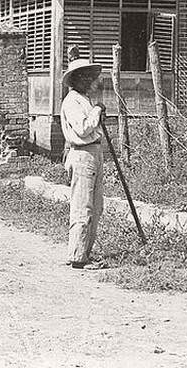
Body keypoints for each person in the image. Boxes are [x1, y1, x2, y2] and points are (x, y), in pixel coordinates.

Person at [60, 55, 107, 269]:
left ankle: (85, 253)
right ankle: (78, 257)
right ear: (82, 79)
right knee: (83, 206)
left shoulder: (83, 99)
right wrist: (97, 111)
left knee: (96, 207)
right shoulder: (72, 101)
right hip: (82, 155)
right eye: (92, 77)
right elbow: (82, 128)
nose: (96, 82)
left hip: (93, 152)